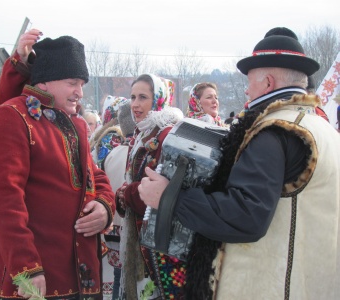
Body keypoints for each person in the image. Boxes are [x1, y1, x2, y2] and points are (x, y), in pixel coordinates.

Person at [138, 27, 340, 299]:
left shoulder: (272, 131)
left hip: (268, 286)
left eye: (250, 82)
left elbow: (245, 217)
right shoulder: (324, 129)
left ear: (267, 83)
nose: (246, 90)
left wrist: (169, 197)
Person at [0, 34, 115, 299]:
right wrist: (26, 267)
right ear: (44, 80)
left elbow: (94, 176)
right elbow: (3, 199)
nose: (80, 92)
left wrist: (104, 206)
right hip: (35, 280)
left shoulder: (75, 124)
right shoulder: (12, 117)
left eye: (82, 83)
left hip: (82, 279)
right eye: (72, 82)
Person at [115, 73, 183, 299]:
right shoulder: (143, 133)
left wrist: (125, 194)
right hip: (143, 237)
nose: (135, 104)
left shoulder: (167, 135)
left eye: (143, 97)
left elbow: (158, 188)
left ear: (159, 99)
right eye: (132, 97)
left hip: (162, 246)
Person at [102, 100, 136, 300]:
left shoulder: (112, 153)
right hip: (131, 229)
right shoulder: (138, 153)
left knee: (117, 278)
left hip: (113, 229)